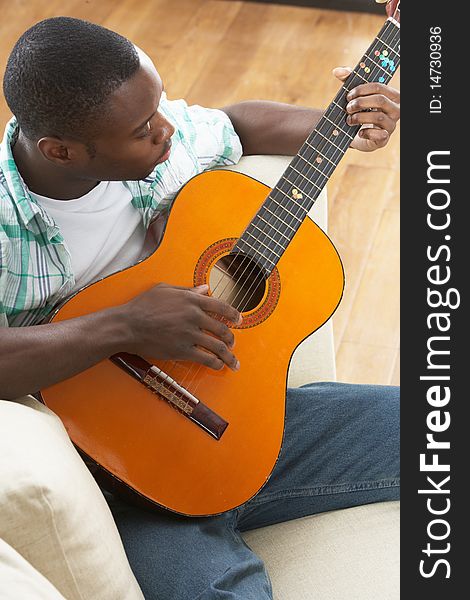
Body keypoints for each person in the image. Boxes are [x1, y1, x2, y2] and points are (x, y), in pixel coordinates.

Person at [0, 16, 400, 600]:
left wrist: (344, 124)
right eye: (142, 129)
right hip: (126, 472)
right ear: (60, 150)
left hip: (242, 421)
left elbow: (234, 123)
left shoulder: (166, 138)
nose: (166, 129)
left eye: (159, 107)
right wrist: (127, 324)